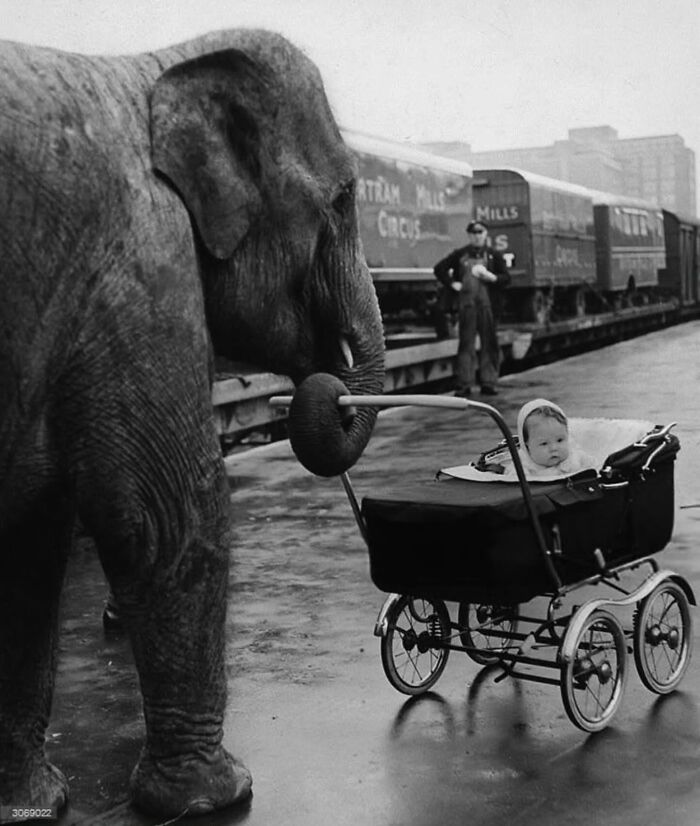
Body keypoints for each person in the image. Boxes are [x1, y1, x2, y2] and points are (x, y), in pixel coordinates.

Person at [433, 220, 510, 396]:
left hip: (487, 306)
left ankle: (488, 383)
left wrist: (492, 278)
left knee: (489, 344)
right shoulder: (460, 254)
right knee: (466, 345)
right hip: (466, 307)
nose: (476, 236)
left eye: (480, 232)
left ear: (485, 234)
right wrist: (453, 284)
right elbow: (439, 269)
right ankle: (464, 384)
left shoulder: (494, 255)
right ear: (469, 235)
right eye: (473, 233)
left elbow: (507, 279)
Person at [517, 398, 596, 477]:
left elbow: (595, 468)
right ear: (526, 445)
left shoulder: (577, 458)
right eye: (544, 443)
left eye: (559, 440)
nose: (553, 448)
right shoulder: (522, 467)